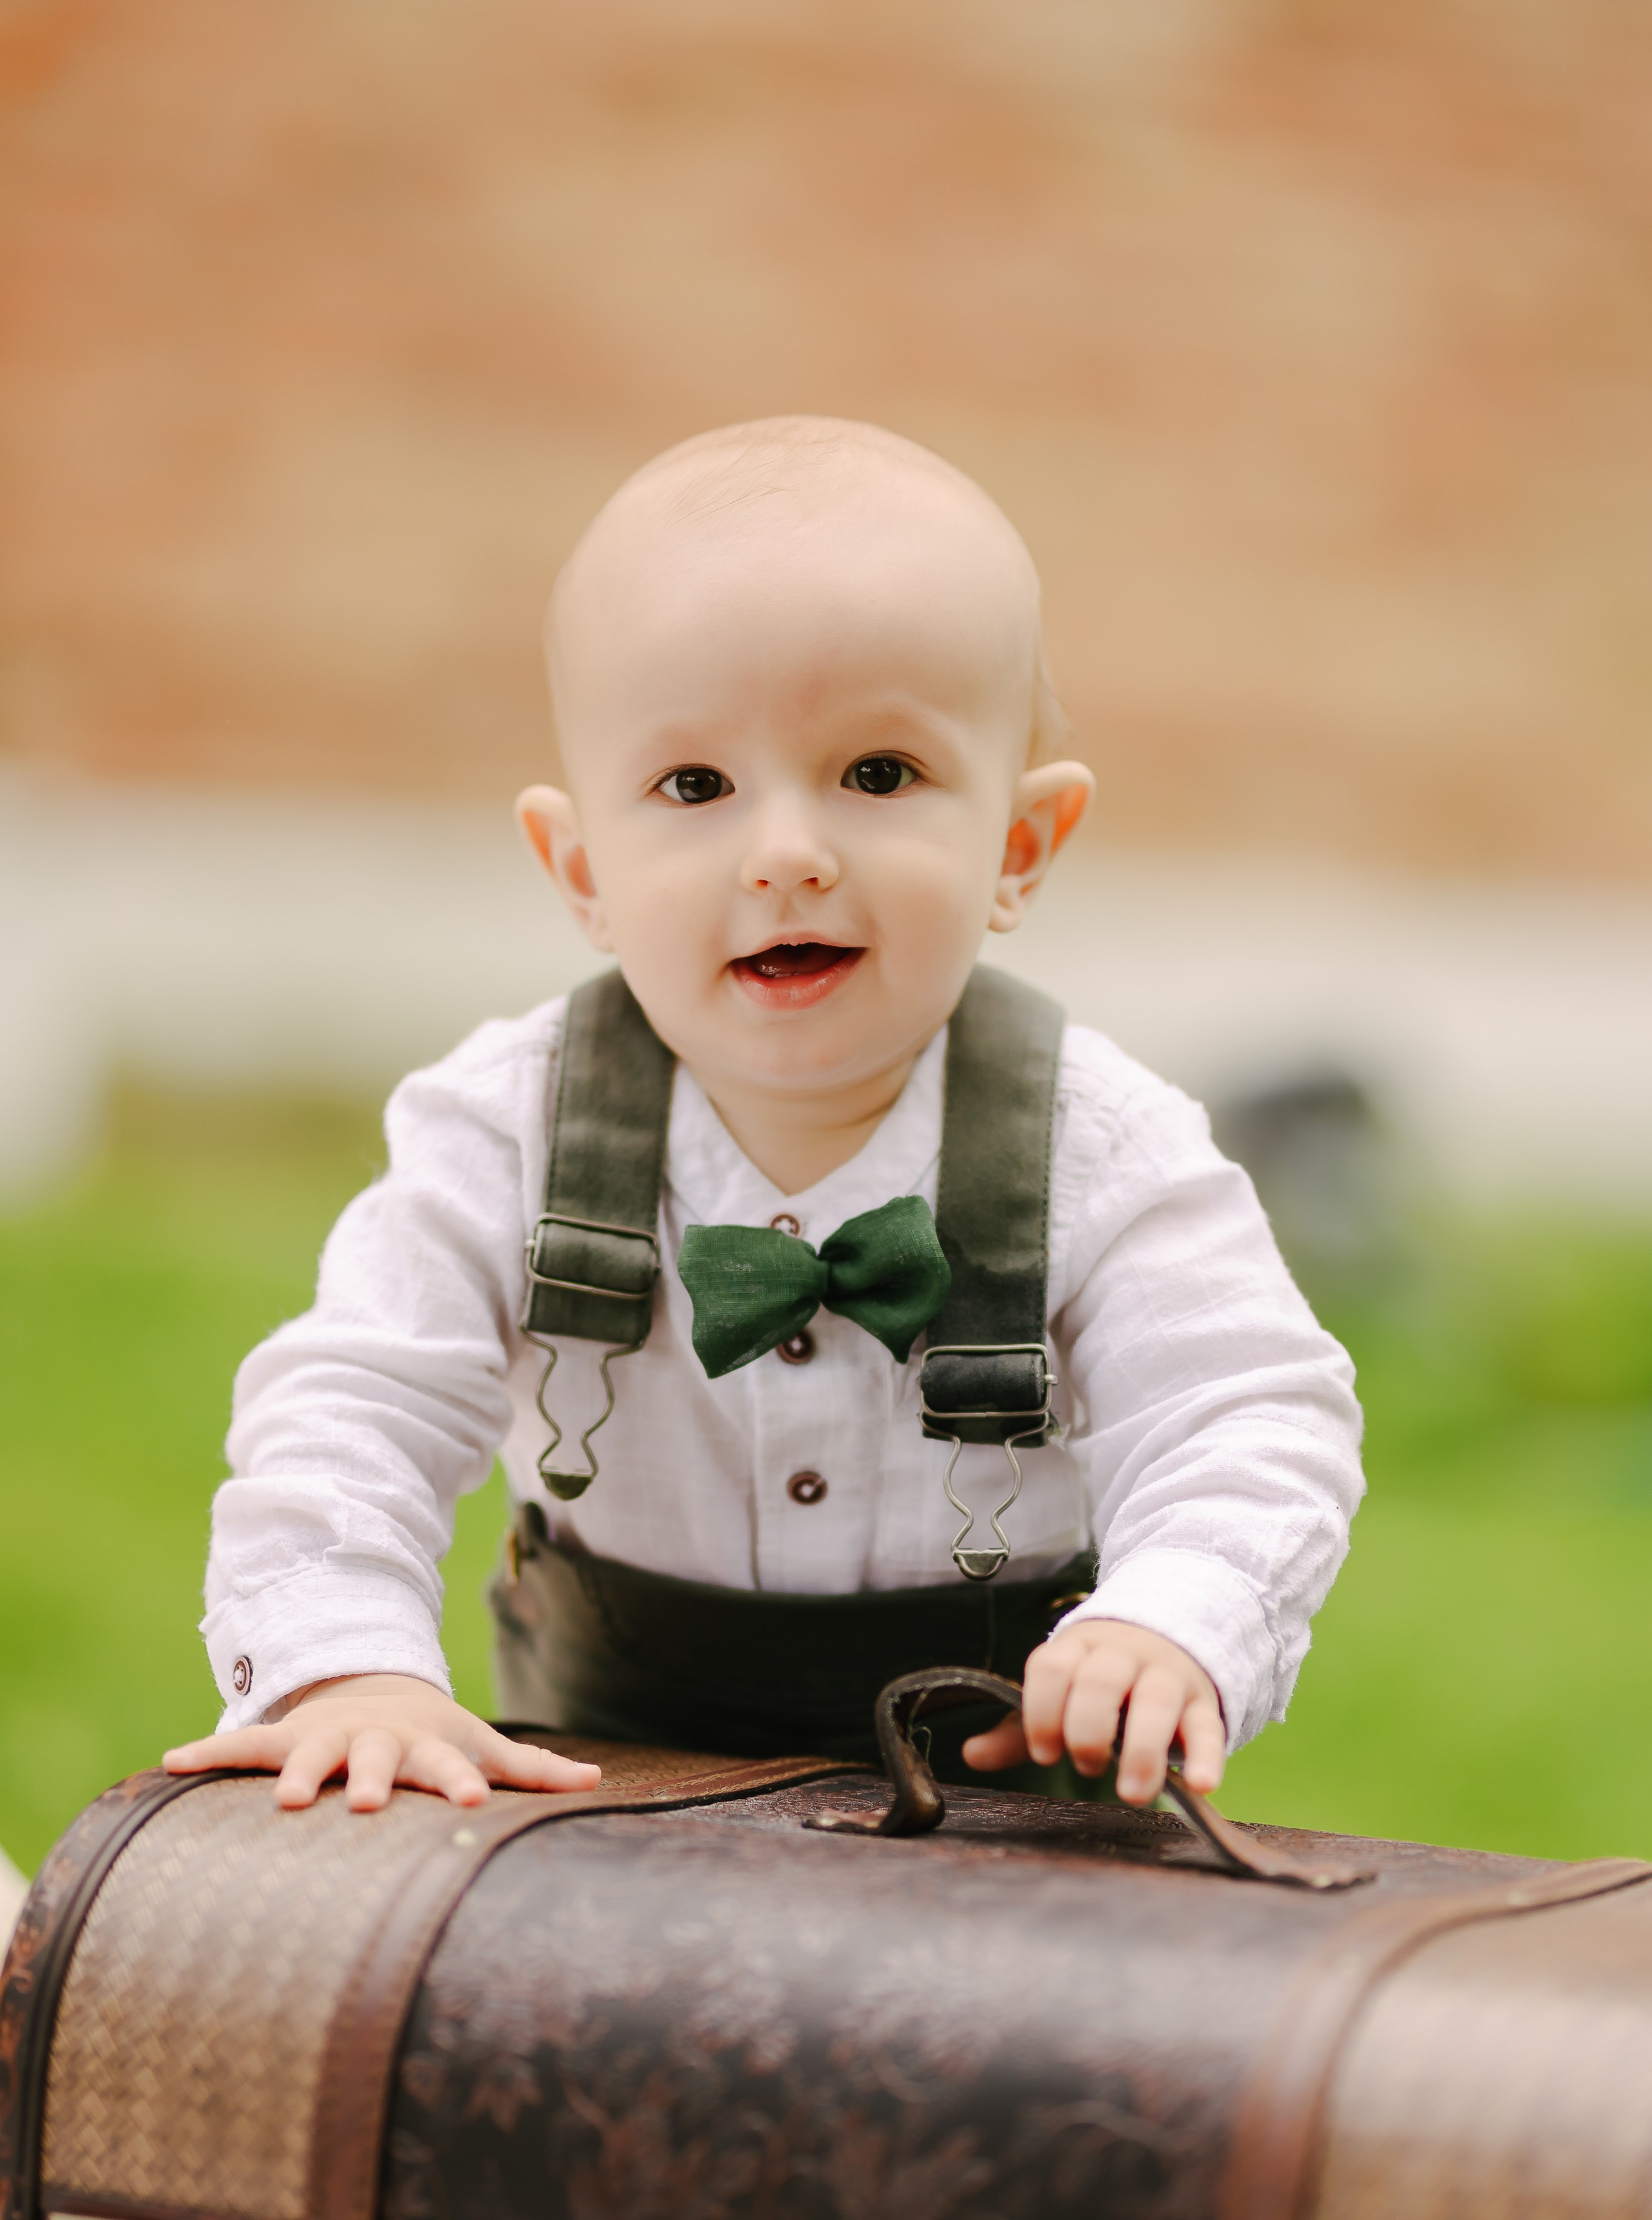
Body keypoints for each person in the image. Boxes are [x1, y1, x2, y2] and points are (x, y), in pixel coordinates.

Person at [166, 417, 1363, 1819]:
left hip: (1010, 1814)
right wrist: (341, 1665)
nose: (785, 854)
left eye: (875, 775)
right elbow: (354, 1399)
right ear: (581, 866)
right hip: (603, 1796)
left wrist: (1174, 1618)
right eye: (694, 786)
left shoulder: (1097, 1146)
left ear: (1018, 845)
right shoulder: (508, 1129)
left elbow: (1243, 1412)